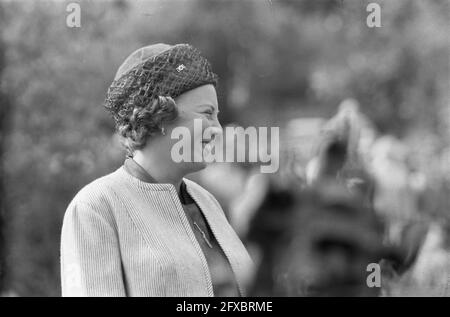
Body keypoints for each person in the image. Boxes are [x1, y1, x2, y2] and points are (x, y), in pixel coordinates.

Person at [60, 43, 254, 297]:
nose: (217, 128)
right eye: (207, 114)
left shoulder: (207, 201)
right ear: (161, 116)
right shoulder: (95, 207)